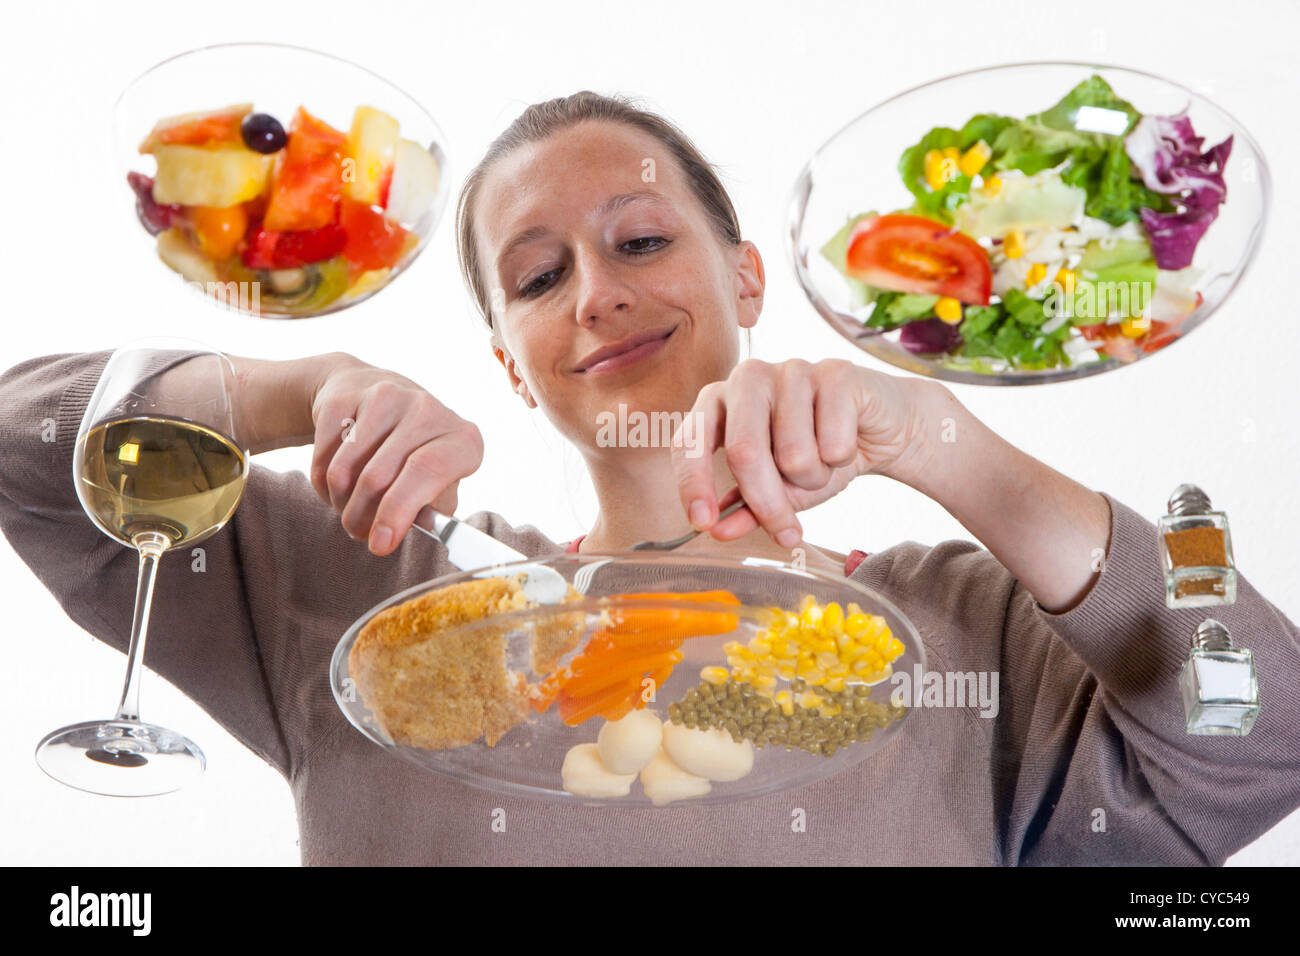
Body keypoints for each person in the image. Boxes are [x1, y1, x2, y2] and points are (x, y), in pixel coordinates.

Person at [2, 91, 1297, 865]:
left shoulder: (961, 623)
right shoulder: (376, 579)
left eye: (638, 239)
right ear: (511, 364)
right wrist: (298, 391)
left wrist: (941, 443)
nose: (600, 293)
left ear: (745, 280)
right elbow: (23, 452)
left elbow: (1263, 731)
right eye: (538, 276)